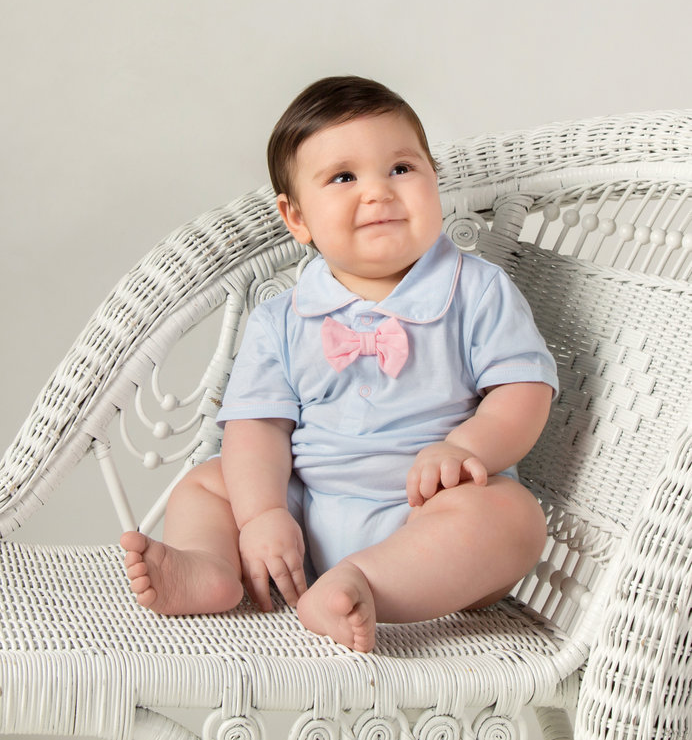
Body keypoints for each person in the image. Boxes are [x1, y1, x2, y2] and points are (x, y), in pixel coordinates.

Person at [121, 76, 558, 653]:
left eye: (401, 169)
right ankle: (212, 569)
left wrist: (468, 448)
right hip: (304, 515)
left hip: (428, 518)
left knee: (515, 519)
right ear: (296, 218)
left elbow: (523, 390)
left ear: (433, 180)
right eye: (344, 177)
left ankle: (365, 585)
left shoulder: (476, 290)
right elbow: (257, 428)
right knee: (207, 483)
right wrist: (262, 515)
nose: (377, 192)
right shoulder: (281, 318)